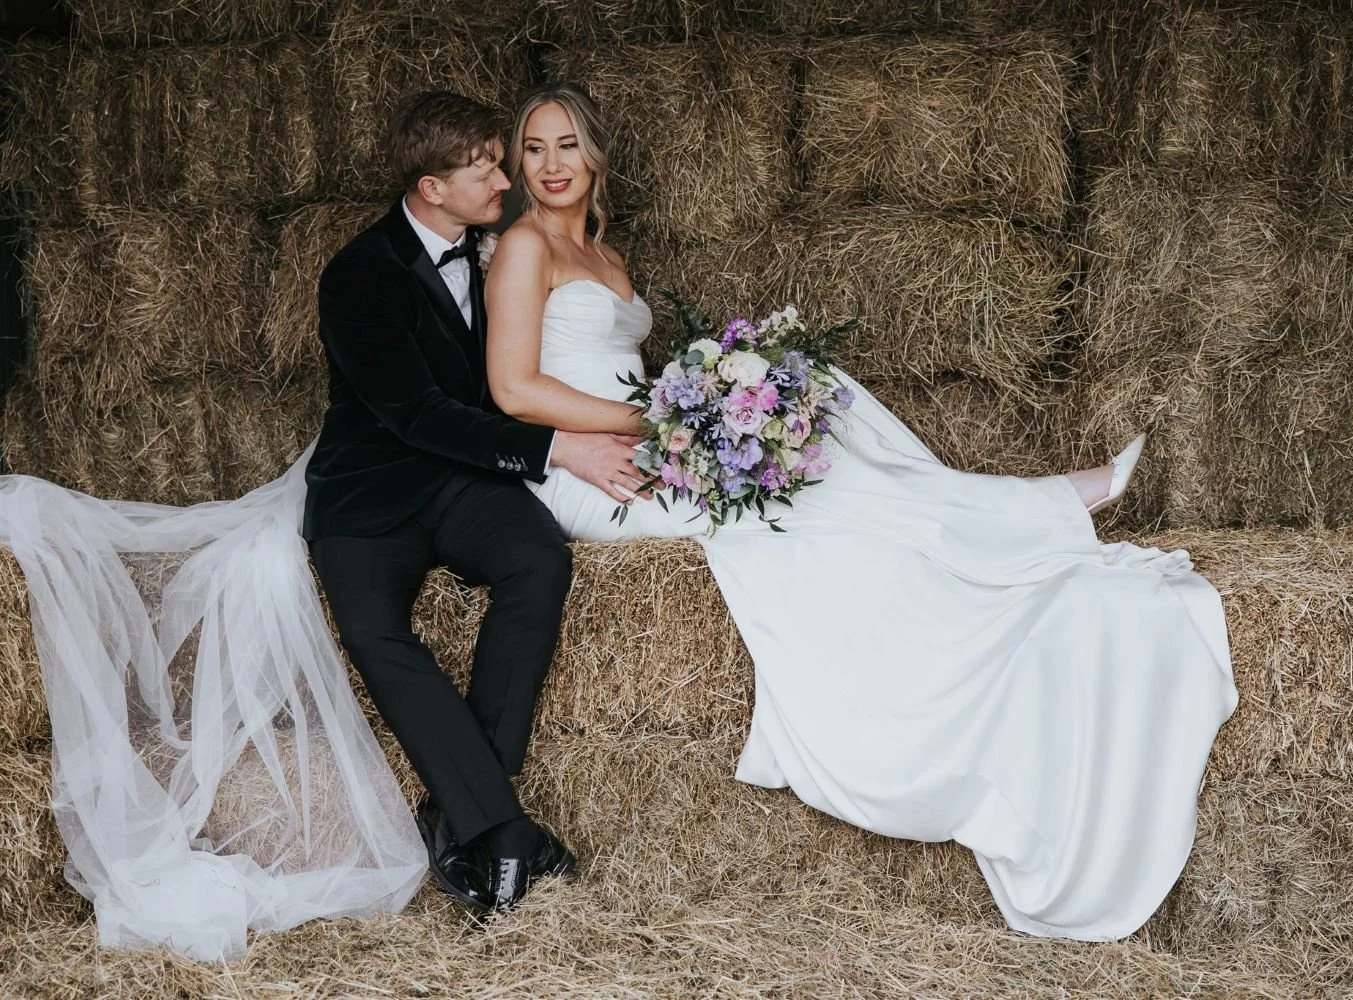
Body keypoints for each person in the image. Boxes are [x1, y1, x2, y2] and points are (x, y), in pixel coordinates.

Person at [482, 83, 1240, 941]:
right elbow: (513, 389)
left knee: (822, 415)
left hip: (642, 440)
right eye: (534, 149)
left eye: (567, 146)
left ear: (596, 156)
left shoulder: (607, 259)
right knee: (816, 510)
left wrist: (700, 415)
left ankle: (1009, 512)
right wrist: (673, 421)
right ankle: (1036, 505)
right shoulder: (522, 249)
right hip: (590, 468)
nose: (550, 166)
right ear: (517, 162)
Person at [303, 90, 647, 913]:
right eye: (485, 166)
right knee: (375, 634)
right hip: (372, 489)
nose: (506, 177)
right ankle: (505, 829)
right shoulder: (360, 274)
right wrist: (559, 446)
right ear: (430, 189)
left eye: (502, 157)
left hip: (463, 483)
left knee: (537, 558)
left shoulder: (500, 246)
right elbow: (416, 415)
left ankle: (464, 817)